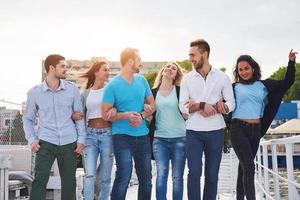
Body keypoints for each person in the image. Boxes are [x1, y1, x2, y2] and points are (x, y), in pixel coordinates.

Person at [230, 50, 297, 200]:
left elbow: (287, 82)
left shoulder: (263, 85)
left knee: (243, 168)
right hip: (238, 129)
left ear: (253, 68)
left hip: (255, 131)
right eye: (240, 70)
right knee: (249, 166)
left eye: (246, 68)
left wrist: (291, 62)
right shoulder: (233, 87)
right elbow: (220, 100)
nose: (243, 72)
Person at [22, 54, 86, 200]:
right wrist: (32, 140)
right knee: (39, 181)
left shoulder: (72, 90)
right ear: (51, 68)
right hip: (46, 142)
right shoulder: (35, 92)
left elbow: (79, 117)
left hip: (69, 142)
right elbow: (27, 119)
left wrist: (81, 139)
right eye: (62, 66)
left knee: (69, 183)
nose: (66, 69)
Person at [179, 39, 235, 200]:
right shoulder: (187, 79)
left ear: (205, 54)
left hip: (216, 131)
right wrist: (201, 105)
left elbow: (231, 102)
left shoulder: (223, 77)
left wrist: (219, 107)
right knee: (194, 172)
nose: (190, 59)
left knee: (212, 174)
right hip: (193, 132)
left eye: (193, 55)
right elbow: (183, 106)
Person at [101, 47, 156, 200]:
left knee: (146, 179)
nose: (141, 64)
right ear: (130, 61)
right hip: (122, 137)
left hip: (143, 136)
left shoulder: (142, 80)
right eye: (139, 61)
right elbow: (105, 114)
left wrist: (142, 115)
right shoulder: (112, 86)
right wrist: (125, 115)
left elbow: (153, 105)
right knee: (124, 176)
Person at [73, 60, 115, 200]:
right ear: (96, 72)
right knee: (89, 175)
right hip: (90, 135)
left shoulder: (111, 89)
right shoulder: (85, 93)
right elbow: (80, 116)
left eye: (108, 70)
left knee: (105, 177)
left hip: (107, 135)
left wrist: (114, 109)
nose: (108, 72)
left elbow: (117, 109)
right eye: (105, 69)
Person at [148, 61, 186, 200]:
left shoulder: (180, 91)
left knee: (177, 177)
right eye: (168, 67)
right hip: (159, 139)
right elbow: (148, 115)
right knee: (162, 174)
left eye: (174, 68)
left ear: (176, 75)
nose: (170, 69)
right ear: (163, 71)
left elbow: (186, 112)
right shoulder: (152, 93)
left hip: (180, 138)